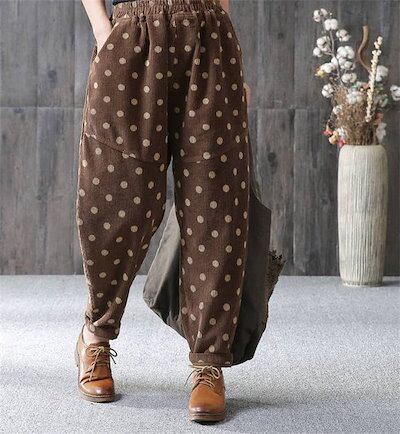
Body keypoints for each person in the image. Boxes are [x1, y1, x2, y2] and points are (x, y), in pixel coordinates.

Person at [75, 0, 251, 422]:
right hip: (131, 34)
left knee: (215, 203)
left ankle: (208, 361)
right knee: (115, 199)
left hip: (209, 35)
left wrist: (228, 45)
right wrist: (103, 32)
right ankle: (95, 335)